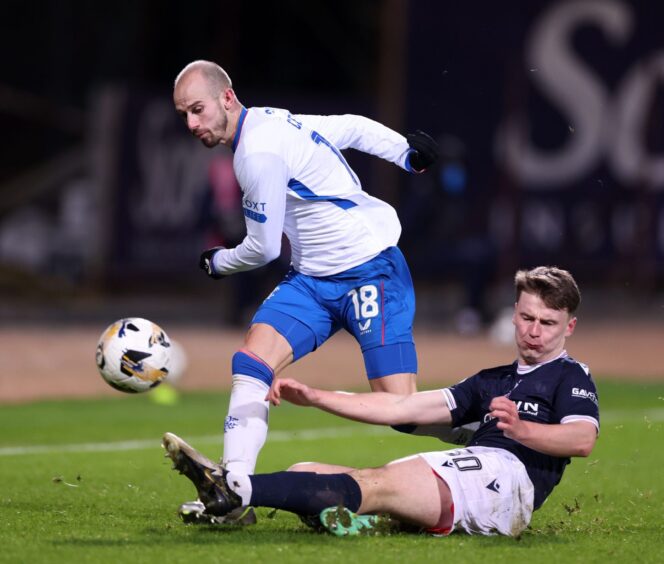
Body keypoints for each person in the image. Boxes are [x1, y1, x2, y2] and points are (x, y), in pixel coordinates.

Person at [172, 60, 439, 524]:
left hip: (370, 271)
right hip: (313, 280)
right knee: (252, 362)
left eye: (198, 110)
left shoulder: (257, 153)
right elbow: (352, 128)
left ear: (227, 98)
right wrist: (405, 153)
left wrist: (217, 262)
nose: (192, 124)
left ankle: (487, 430)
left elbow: (260, 248)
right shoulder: (272, 118)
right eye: (184, 115)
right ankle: (234, 491)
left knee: (403, 409)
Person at [163, 266, 600, 537]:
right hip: (472, 473)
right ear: (514, 316)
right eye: (526, 318)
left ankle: (234, 492)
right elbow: (400, 408)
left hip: (507, 482)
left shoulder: (569, 375)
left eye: (548, 322)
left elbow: (581, 439)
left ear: (570, 326)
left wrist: (523, 431)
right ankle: (369, 523)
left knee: (379, 484)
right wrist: (316, 396)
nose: (534, 331)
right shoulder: (490, 381)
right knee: (305, 473)